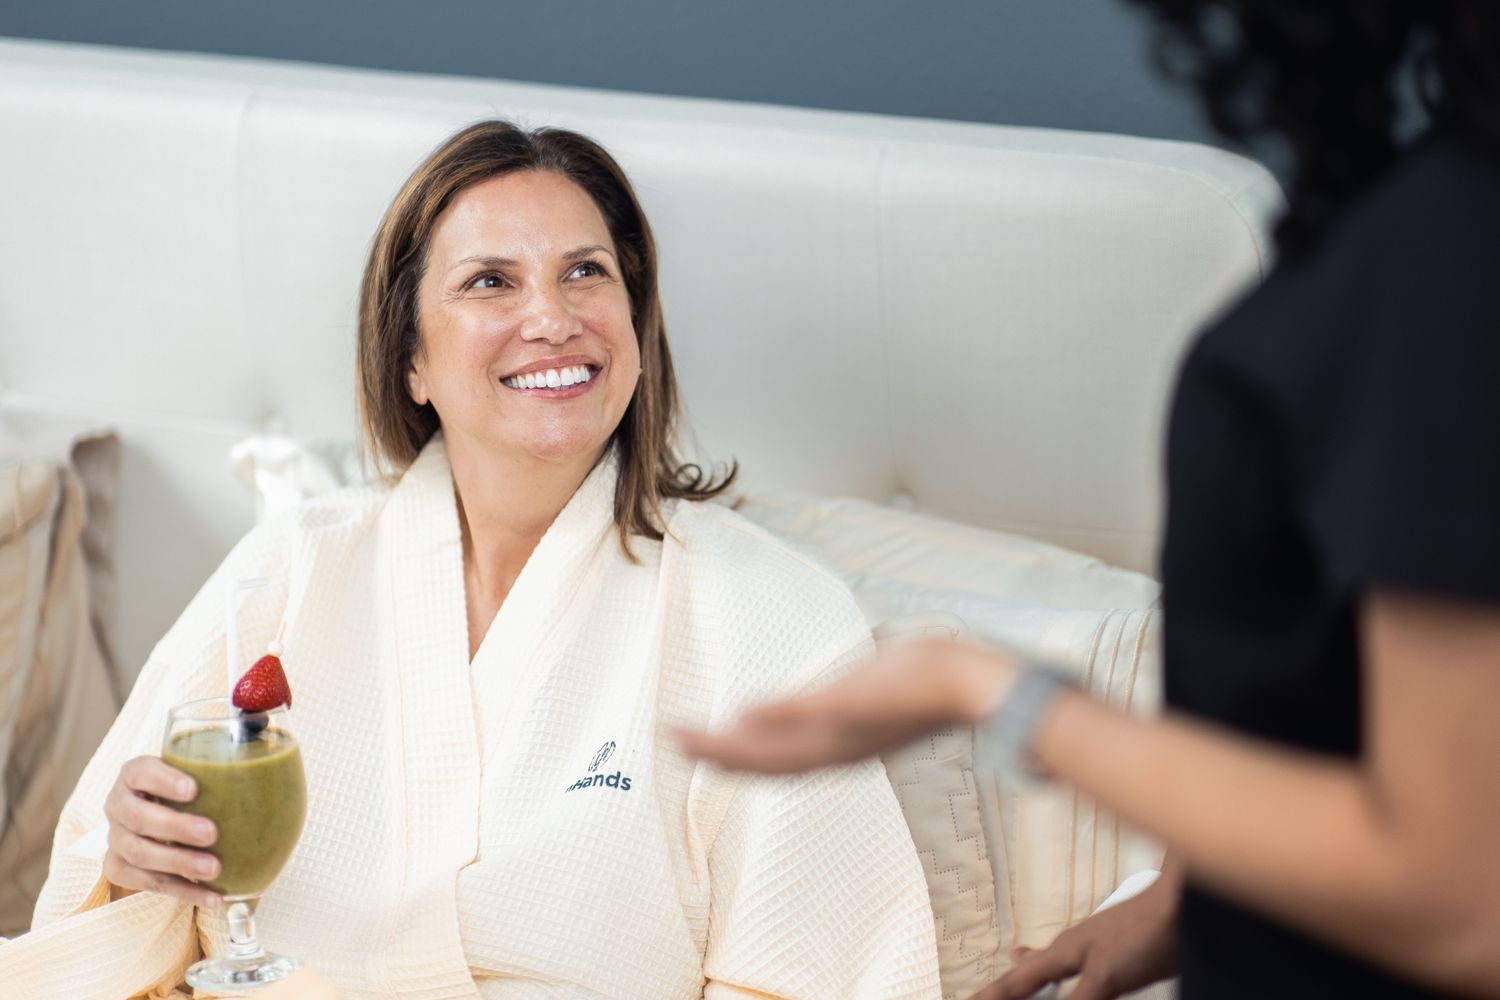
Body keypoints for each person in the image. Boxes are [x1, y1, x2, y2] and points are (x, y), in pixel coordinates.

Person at [0, 122, 942, 999]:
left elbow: (828, 974)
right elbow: (102, 932)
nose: (552, 317)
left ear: (637, 330)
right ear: (411, 358)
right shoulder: (293, 566)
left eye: (586, 272)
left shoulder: (771, 619)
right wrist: (134, 867)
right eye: (491, 281)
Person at [680, 4, 1500, 999]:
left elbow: (1459, 897)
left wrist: (987, 690)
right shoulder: (1431, 224)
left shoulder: (1443, 263)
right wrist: (1191, 896)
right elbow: (1339, 697)